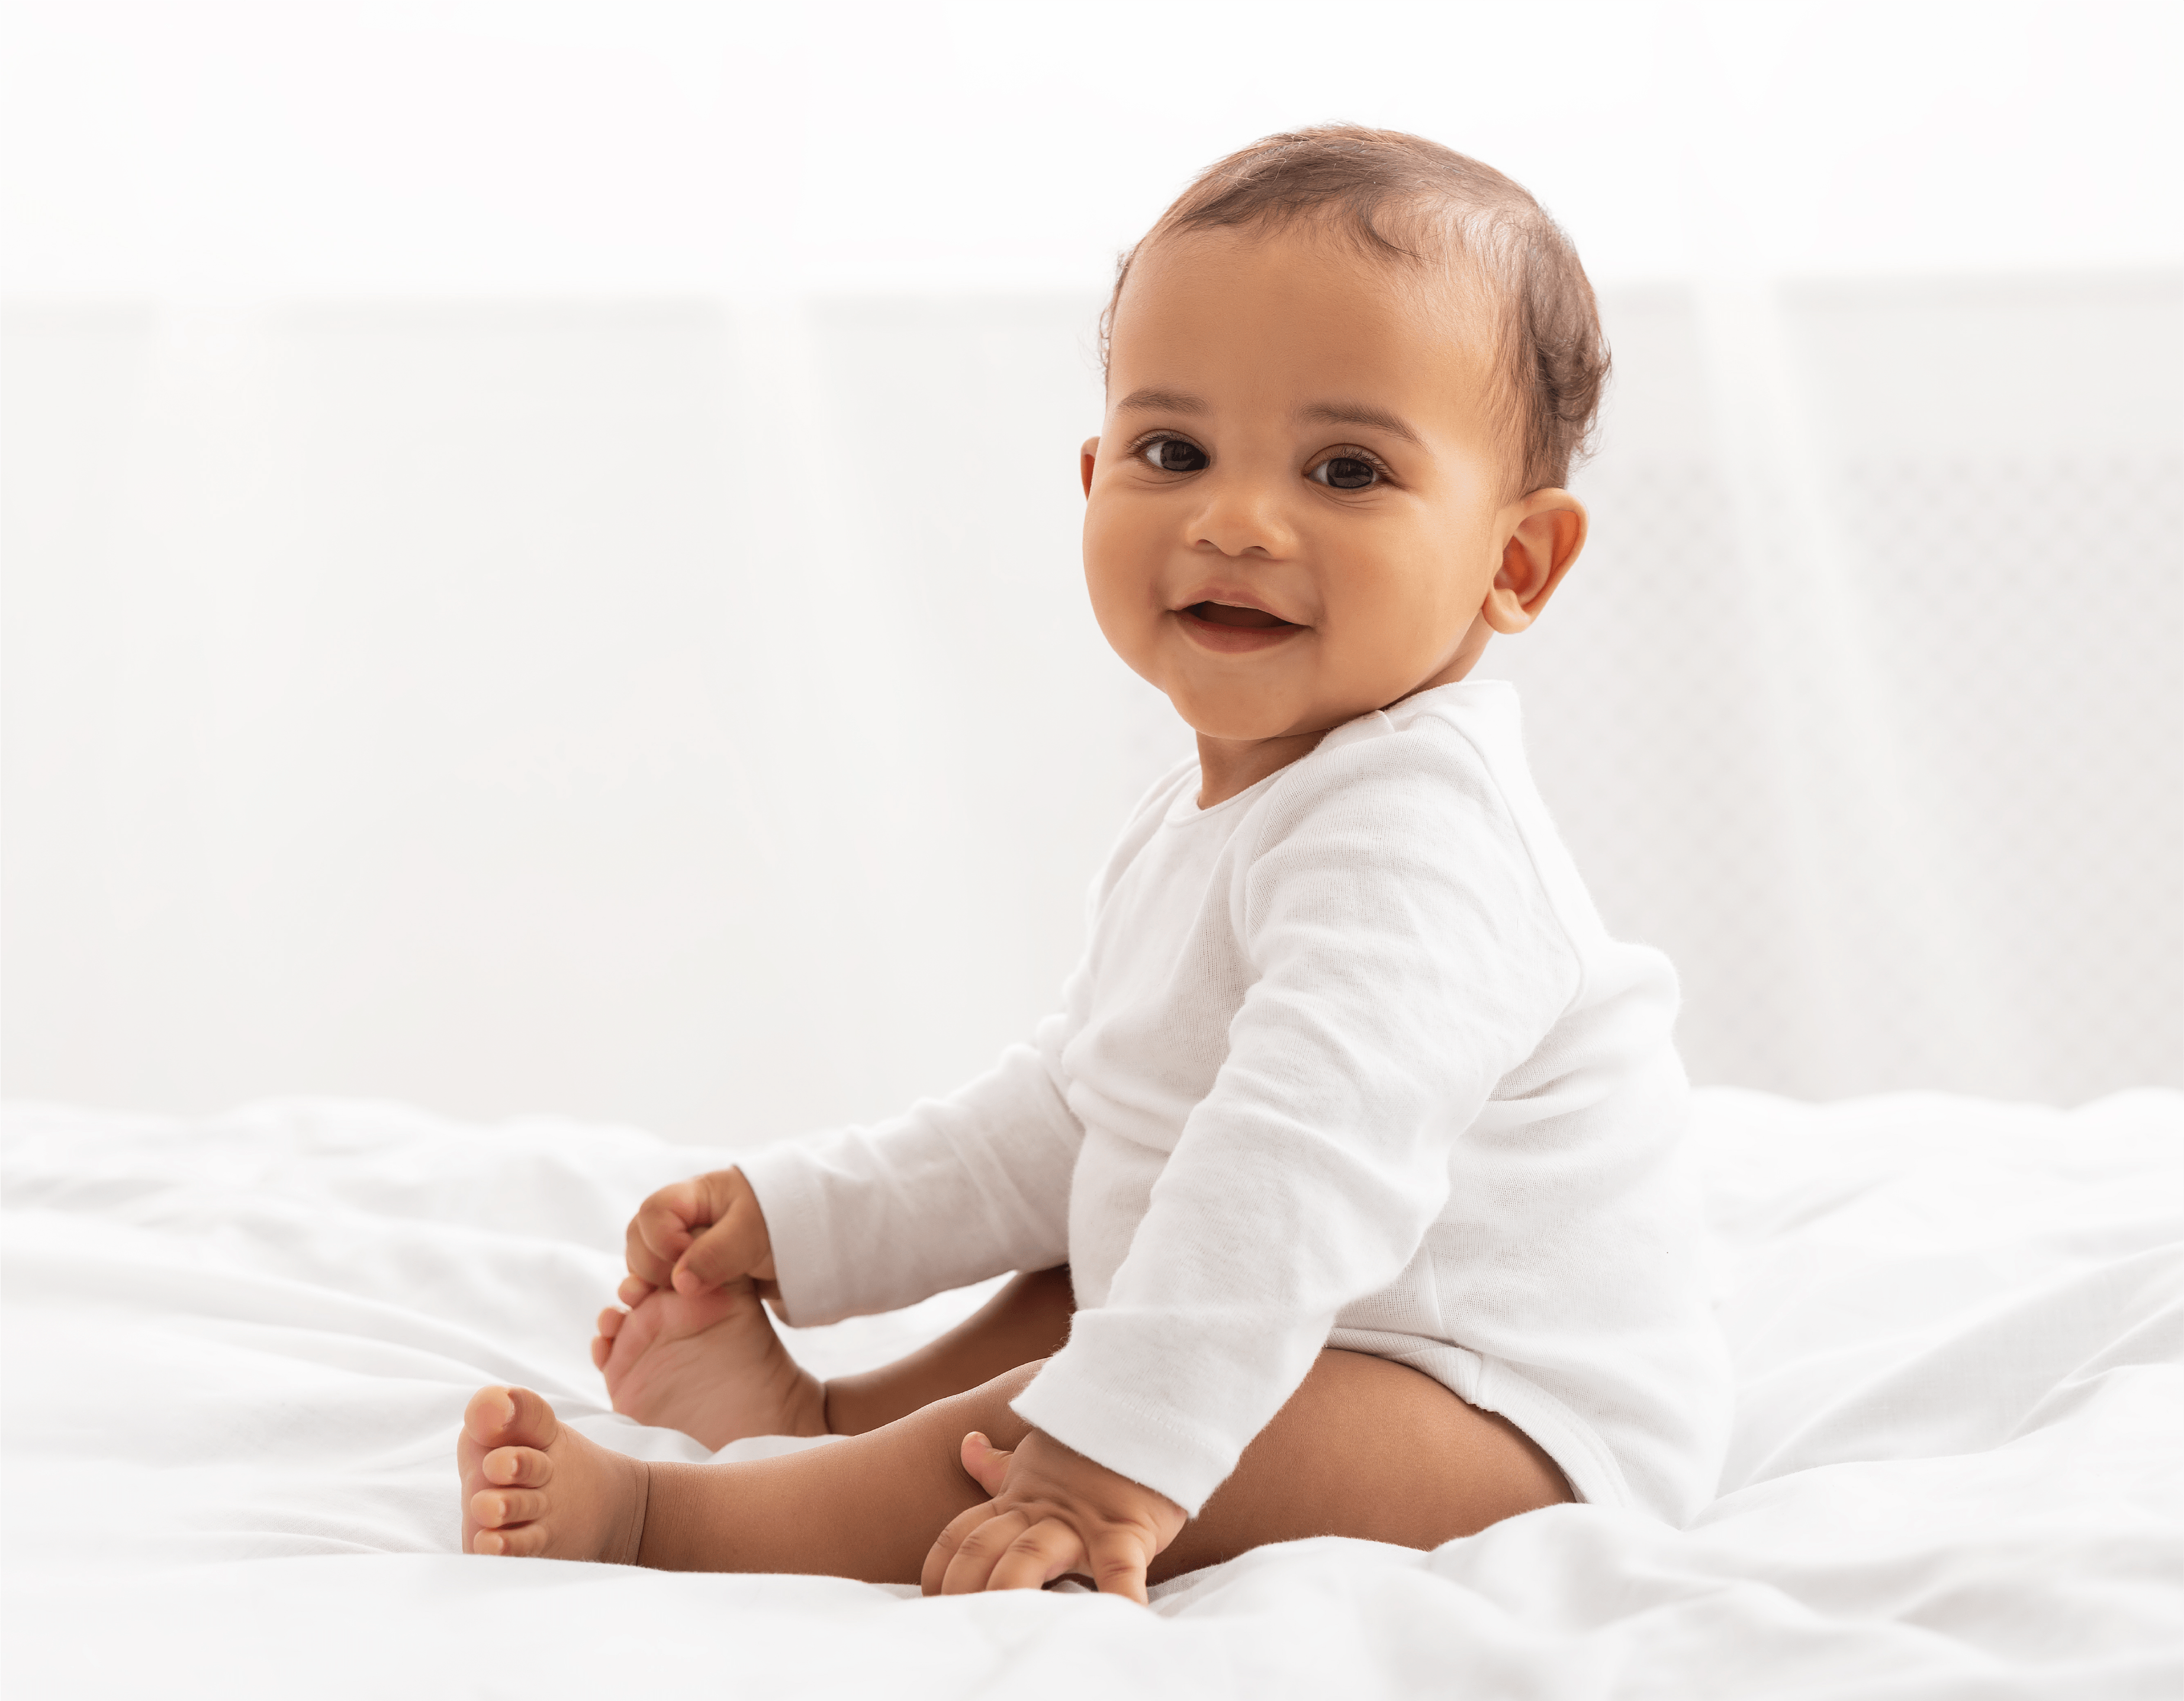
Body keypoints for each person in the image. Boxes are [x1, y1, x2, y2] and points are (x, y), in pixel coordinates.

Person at [455, 125, 1732, 1601]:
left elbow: (1293, 1168)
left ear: (1514, 563)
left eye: (1345, 467)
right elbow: (1079, 1111)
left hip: (1500, 1407)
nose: (1236, 518)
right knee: (1104, 1249)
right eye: (1172, 451)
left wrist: (1105, 1456)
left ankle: (673, 1527)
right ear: (1091, 477)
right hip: (1316, 1314)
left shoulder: (1421, 838)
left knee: (1088, 1384)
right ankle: (827, 1430)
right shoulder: (1224, 812)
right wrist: (807, 1217)